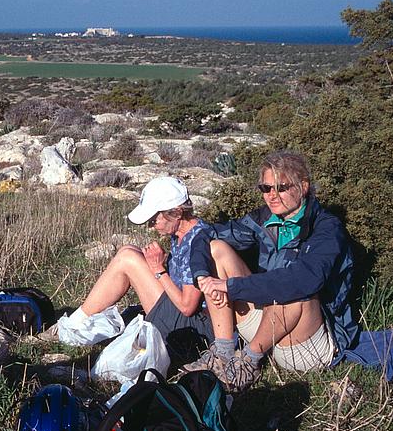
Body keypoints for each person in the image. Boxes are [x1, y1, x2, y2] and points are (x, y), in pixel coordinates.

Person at [182, 150, 359, 392]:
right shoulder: (262, 219)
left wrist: (231, 286)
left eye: (281, 188)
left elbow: (305, 280)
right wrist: (202, 275)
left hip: (307, 343)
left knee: (293, 286)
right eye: (266, 188)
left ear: (303, 186)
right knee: (217, 249)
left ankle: (248, 363)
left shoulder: (326, 229)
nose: (272, 196)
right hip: (269, 325)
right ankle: (223, 352)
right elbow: (206, 233)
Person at [63, 176, 214, 352]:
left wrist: (159, 270)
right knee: (128, 250)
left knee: (128, 258)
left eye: (153, 220)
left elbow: (187, 307)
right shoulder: (183, 234)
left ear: (177, 213)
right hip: (184, 319)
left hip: (193, 330)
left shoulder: (196, 243)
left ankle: (72, 325)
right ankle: (76, 321)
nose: (151, 227)